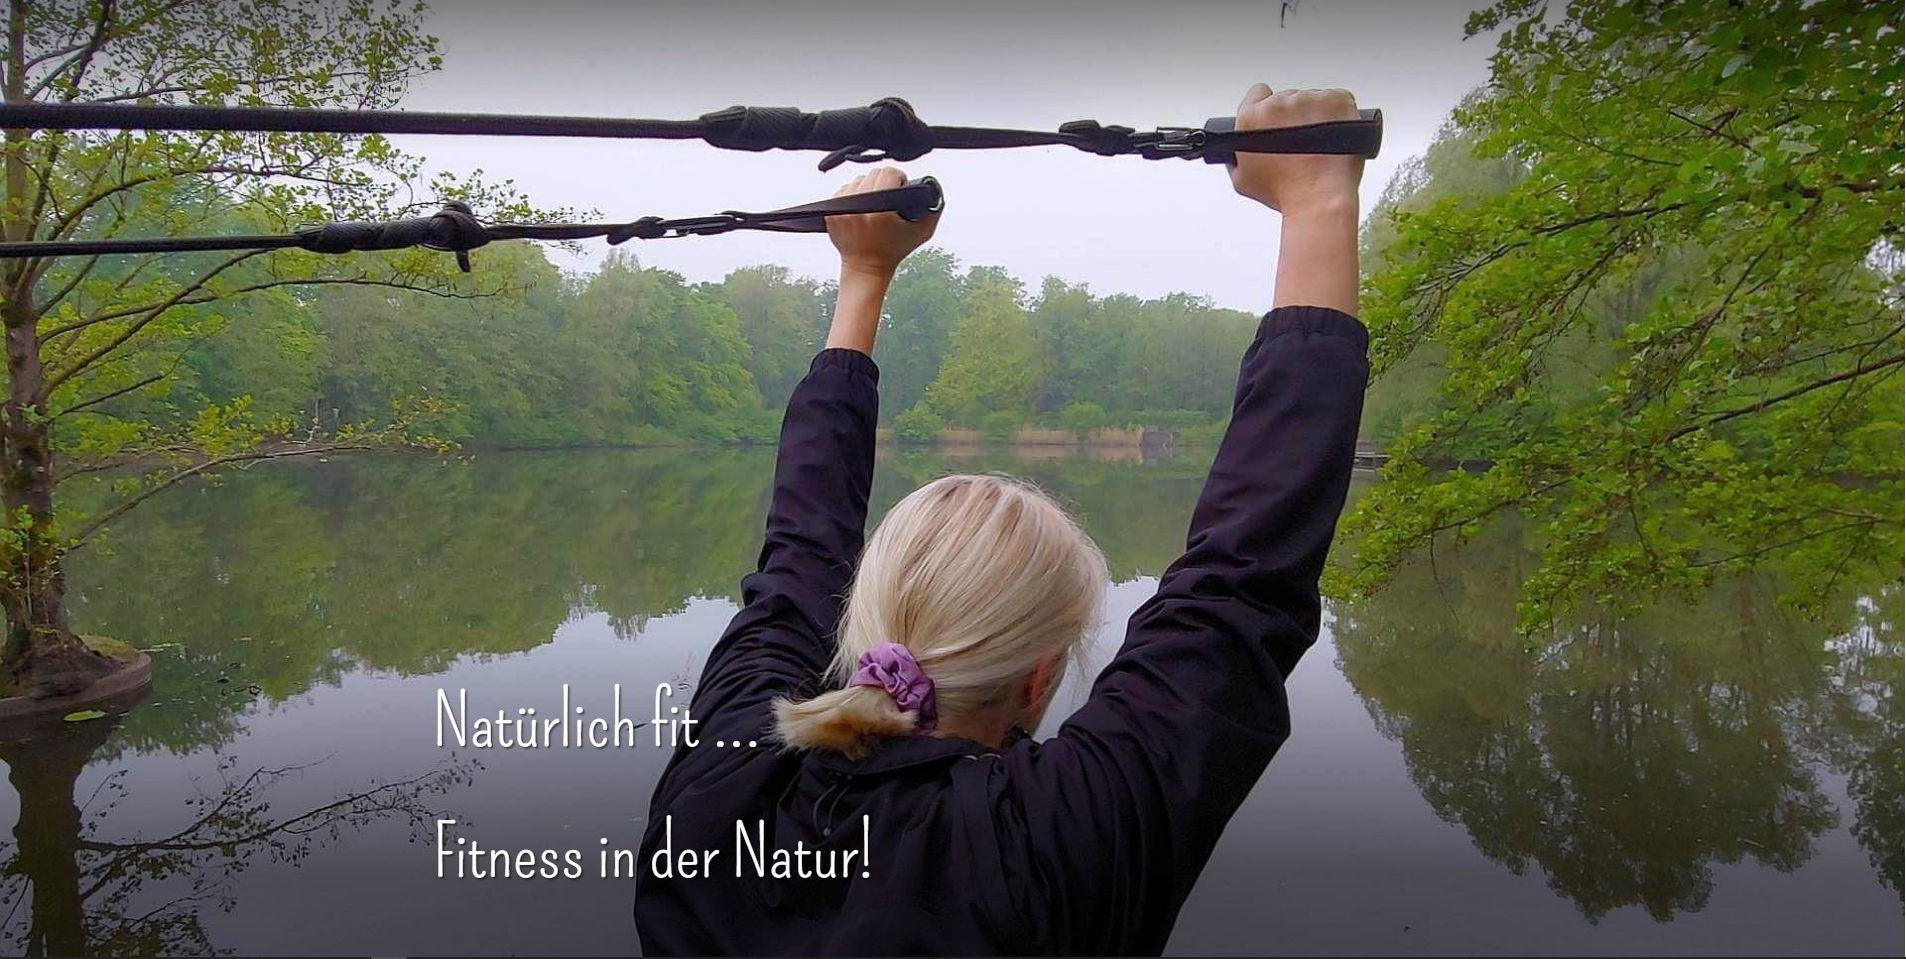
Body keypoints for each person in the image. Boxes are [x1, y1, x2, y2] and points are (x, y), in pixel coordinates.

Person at [635, 84, 1370, 956]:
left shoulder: (723, 789)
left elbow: (1240, 586)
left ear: (858, 626)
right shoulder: (1056, 843)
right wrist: (1319, 198)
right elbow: (1237, 588)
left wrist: (864, 275)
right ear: (1038, 678)